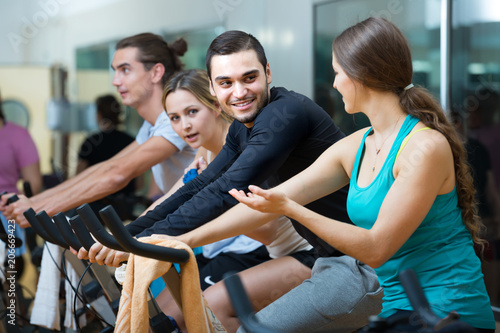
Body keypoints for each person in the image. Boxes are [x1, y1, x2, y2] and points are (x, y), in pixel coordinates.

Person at [92, 30, 383, 333]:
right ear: (214, 88)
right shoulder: (241, 130)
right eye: (226, 83)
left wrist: (140, 242)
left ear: (268, 73)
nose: (240, 92)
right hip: (329, 259)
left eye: (249, 78)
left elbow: (224, 190)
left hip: (357, 262)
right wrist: (127, 235)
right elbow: (199, 185)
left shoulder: (286, 113)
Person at [222, 18, 495, 331]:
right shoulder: (359, 144)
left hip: (448, 315)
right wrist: (182, 240)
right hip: (397, 309)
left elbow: (376, 249)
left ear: (363, 74)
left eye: (338, 72)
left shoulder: (425, 146)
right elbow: (267, 200)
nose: (335, 83)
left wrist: (290, 209)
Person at [0, 33, 196, 226]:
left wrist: (38, 210)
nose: (115, 81)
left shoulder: (175, 121)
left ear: (156, 72)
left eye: (125, 70)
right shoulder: (153, 124)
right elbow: (108, 166)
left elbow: (117, 175)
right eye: (115, 71)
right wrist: (34, 202)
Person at [0, 89, 43, 278]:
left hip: (5, 209)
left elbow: (33, 183)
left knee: (11, 269)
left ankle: (11, 302)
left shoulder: (18, 135)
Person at [76, 94, 138, 219]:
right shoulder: (131, 142)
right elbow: (139, 183)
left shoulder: (91, 142)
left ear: (99, 114)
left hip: (94, 208)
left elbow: (78, 178)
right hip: (124, 209)